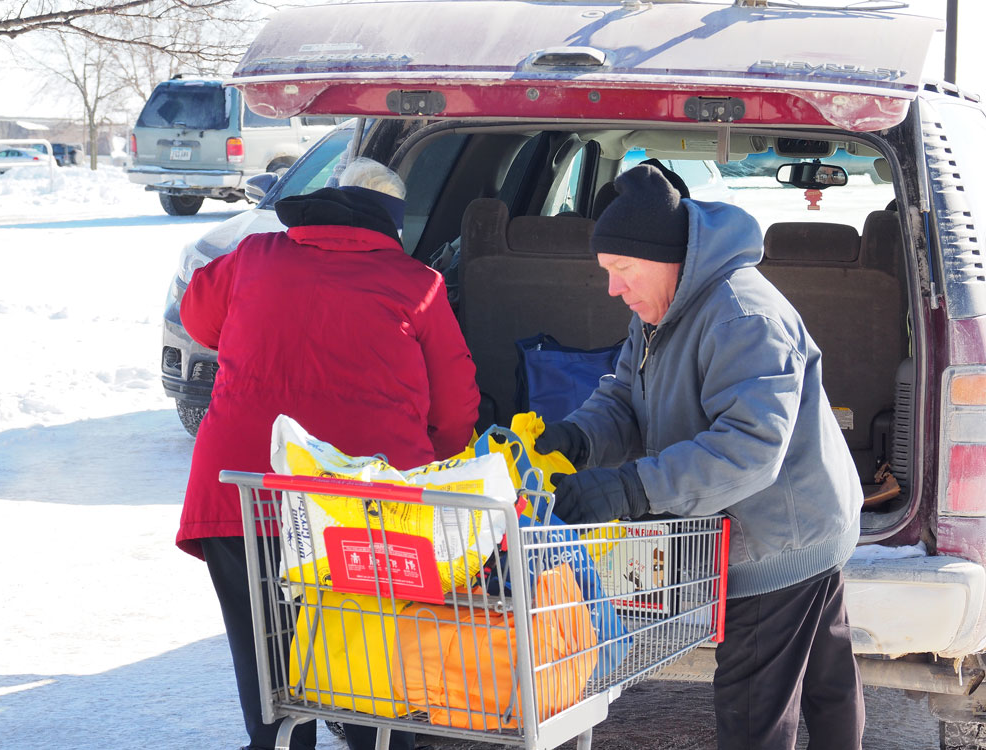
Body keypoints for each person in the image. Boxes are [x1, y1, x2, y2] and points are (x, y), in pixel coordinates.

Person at [535, 164, 865, 750]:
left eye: (621, 270)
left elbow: (750, 447)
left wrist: (632, 489)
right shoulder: (661, 309)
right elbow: (624, 395)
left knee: (751, 711)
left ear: (665, 260)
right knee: (824, 678)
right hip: (802, 521)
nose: (614, 288)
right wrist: (578, 439)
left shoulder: (742, 317)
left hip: (779, 533)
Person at [176, 157, 480, 750]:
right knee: (366, 657)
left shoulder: (253, 258)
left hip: (246, 494)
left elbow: (196, 319)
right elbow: (455, 409)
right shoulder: (417, 284)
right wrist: (424, 463)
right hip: (362, 512)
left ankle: (275, 739)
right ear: (390, 227)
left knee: (269, 661)